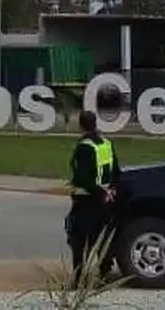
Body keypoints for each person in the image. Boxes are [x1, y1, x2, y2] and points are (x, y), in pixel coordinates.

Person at [65, 109, 120, 284]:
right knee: (101, 239)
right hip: (105, 202)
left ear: (81, 125)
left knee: (78, 240)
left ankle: (78, 277)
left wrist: (100, 192)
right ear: (95, 123)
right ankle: (104, 274)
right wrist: (110, 191)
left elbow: (83, 178)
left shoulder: (84, 147)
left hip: (86, 200)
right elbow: (116, 172)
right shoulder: (106, 143)